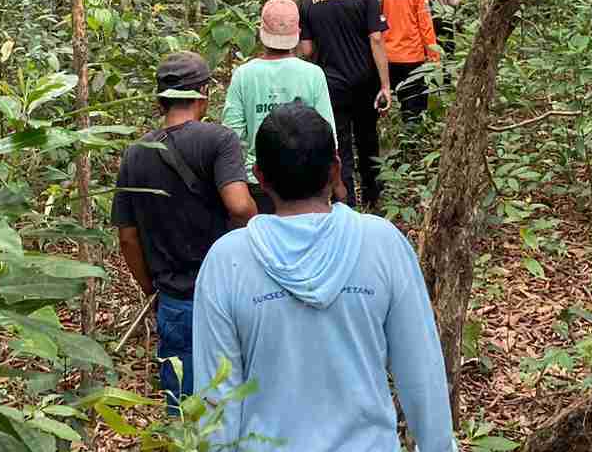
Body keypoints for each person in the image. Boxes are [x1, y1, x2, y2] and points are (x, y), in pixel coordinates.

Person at [192, 104, 454, 452]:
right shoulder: (382, 244)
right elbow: (422, 375)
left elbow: (216, 401)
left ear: (259, 176)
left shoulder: (227, 260)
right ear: (335, 170)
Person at [111, 51, 256, 411]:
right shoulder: (219, 140)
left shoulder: (135, 153)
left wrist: (151, 286)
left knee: (183, 408)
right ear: (202, 93)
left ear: (161, 99)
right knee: (236, 396)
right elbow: (238, 205)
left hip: (174, 299)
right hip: (225, 291)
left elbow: (127, 237)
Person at [221, 0, 345, 212]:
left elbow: (232, 135)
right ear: (297, 33)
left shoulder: (244, 75)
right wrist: (337, 184)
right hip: (308, 179)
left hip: (260, 180)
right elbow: (328, 134)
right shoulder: (312, 74)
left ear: (261, 32)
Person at [299, 0, 392, 208]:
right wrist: (385, 86)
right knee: (367, 140)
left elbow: (306, 50)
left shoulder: (309, 1)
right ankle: (374, 198)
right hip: (365, 82)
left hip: (331, 86)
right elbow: (376, 40)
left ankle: (347, 201)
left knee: (340, 145)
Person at [381, 0, 442, 123]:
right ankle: (412, 145)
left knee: (390, 103)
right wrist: (434, 56)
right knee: (413, 109)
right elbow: (425, 25)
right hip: (412, 59)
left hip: (388, 58)